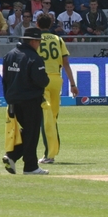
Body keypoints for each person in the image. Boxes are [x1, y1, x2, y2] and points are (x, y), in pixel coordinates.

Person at [2, 27, 50, 175]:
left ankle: (12, 156)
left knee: (27, 131)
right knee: (32, 132)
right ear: (33, 41)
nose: (39, 45)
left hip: (13, 100)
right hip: (30, 100)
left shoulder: (10, 55)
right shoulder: (33, 58)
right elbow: (42, 81)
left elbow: (5, 80)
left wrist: (9, 97)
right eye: (39, 42)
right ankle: (29, 166)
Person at [33, 14, 79, 164]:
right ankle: (53, 152)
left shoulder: (35, 40)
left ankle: (49, 154)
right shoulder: (58, 40)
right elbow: (66, 63)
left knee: (45, 118)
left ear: (38, 24)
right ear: (51, 24)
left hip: (41, 80)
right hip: (57, 80)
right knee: (52, 117)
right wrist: (73, 84)